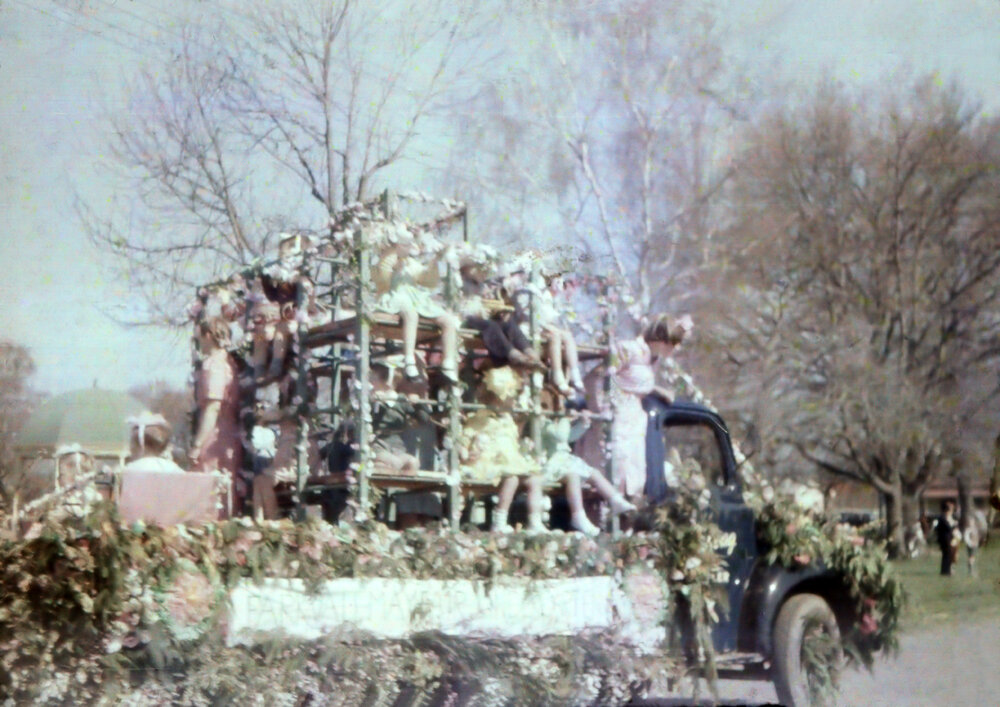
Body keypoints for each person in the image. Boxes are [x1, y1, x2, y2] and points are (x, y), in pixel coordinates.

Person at [581, 313, 692, 500]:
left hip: (634, 421)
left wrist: (657, 390)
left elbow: (634, 382)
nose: (674, 348)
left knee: (632, 476)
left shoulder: (652, 359)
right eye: (672, 343)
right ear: (660, 339)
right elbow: (598, 377)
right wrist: (607, 407)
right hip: (616, 417)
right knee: (613, 466)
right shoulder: (628, 349)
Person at [190, 317, 243, 512]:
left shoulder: (213, 364)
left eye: (200, 339)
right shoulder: (231, 364)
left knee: (209, 490)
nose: (199, 344)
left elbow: (213, 407)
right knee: (225, 489)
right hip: (231, 433)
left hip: (213, 436)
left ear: (208, 336)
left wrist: (197, 445)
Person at [934, 500, 960, 576]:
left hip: (949, 538)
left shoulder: (947, 518)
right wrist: (954, 525)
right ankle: (946, 571)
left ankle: (947, 570)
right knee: (947, 555)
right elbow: (948, 528)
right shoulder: (942, 518)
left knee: (949, 555)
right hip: (945, 539)